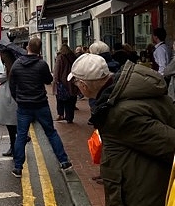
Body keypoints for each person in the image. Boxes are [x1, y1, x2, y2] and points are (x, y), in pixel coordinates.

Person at [68, 53, 175, 206]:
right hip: (141, 184)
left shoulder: (120, 114)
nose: (77, 88)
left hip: (140, 194)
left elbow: (169, 144)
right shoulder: (122, 93)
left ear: (84, 85)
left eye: (76, 84)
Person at [9, 37, 72, 177]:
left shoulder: (17, 64)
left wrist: (18, 99)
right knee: (51, 133)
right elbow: (49, 80)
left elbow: (12, 85)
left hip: (24, 106)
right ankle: (64, 161)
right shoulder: (42, 64)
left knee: (21, 136)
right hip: (40, 104)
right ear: (39, 50)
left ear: (27, 48)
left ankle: (18, 168)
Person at [0, 49, 30, 157]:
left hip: (9, 99)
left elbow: (1, 78)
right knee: (14, 125)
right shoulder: (15, 66)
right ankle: (15, 146)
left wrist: (0, 77)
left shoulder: (10, 68)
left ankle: (14, 148)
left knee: (11, 125)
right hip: (13, 98)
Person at [53, 44, 79, 123]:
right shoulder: (74, 57)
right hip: (72, 81)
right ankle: (69, 118)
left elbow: (56, 70)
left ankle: (61, 114)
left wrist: (55, 81)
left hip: (63, 82)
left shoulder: (60, 57)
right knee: (71, 100)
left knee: (60, 99)